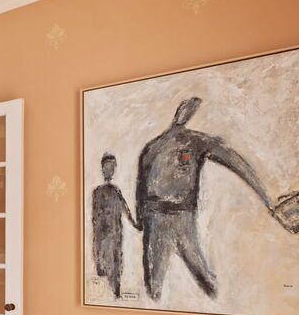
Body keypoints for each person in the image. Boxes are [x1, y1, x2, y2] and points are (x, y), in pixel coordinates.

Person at [135, 97, 276, 300]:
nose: (187, 113)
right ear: (180, 112)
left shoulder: (193, 141)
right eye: (187, 108)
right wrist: (141, 218)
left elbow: (234, 161)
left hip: (178, 216)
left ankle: (214, 300)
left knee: (196, 271)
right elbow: (141, 184)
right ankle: (158, 305)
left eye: (191, 109)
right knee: (155, 277)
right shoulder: (155, 147)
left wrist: (265, 197)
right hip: (156, 218)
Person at [91, 153, 138, 298]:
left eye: (112, 167)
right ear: (102, 169)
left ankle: (116, 293)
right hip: (103, 234)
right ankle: (110, 294)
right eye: (107, 167)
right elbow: (95, 216)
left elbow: (125, 208)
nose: (110, 170)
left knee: (116, 263)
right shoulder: (97, 192)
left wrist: (135, 224)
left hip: (115, 233)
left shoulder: (116, 191)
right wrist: (98, 235)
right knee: (104, 265)